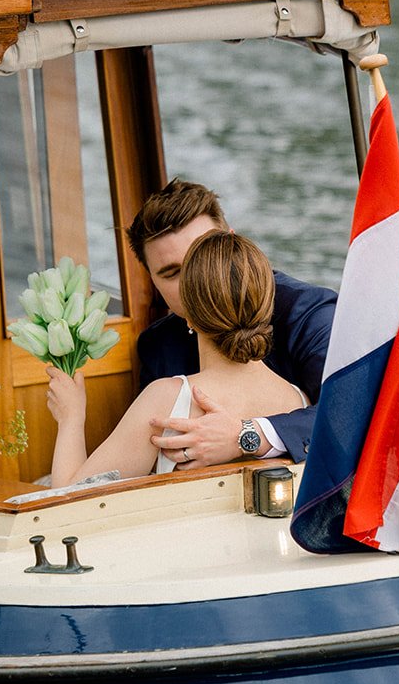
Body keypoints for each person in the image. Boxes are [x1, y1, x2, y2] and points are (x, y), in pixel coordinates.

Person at [47, 232, 307, 489]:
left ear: (188, 316)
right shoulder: (297, 399)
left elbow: (68, 497)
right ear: (266, 307)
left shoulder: (167, 399)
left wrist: (71, 416)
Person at [125, 179, 336, 470]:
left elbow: (350, 413)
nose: (194, 281)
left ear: (232, 245)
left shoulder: (309, 313)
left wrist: (247, 435)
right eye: (172, 273)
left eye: (204, 258)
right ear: (152, 281)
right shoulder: (158, 346)